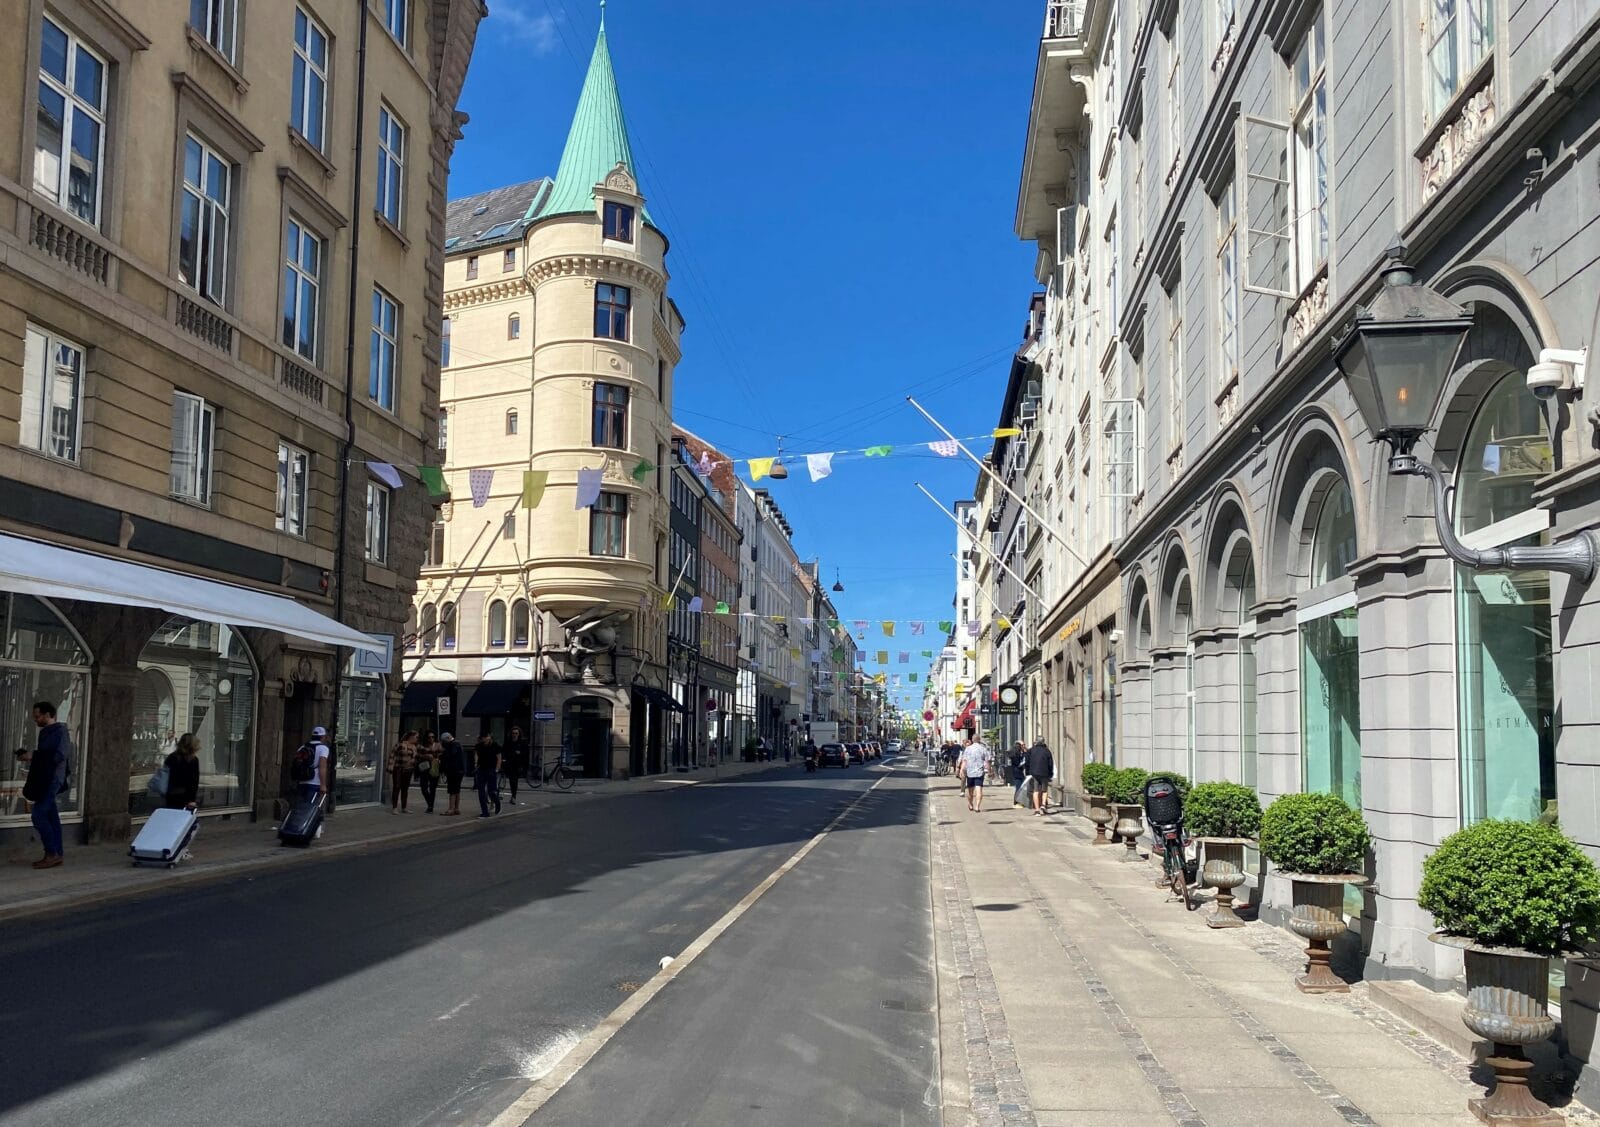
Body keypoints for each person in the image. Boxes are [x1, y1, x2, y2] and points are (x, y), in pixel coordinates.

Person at [18, 701, 71, 869]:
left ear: (48, 715)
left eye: (37, 716)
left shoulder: (61, 731)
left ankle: (51, 853)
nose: (35, 719)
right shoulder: (45, 732)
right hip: (45, 778)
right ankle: (57, 853)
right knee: (51, 816)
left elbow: (59, 756)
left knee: (38, 815)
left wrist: (34, 756)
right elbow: (44, 755)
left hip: (53, 779)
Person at [163, 732, 202, 811]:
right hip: (185, 796)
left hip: (171, 793)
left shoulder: (172, 757)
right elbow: (193, 782)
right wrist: (192, 799)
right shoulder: (193, 760)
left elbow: (165, 773)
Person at [957, 734, 991, 813]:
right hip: (979, 772)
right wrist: (989, 771)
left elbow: (964, 760)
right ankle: (977, 806)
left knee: (970, 791)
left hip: (970, 772)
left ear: (972, 740)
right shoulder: (983, 749)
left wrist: (961, 769)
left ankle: (970, 804)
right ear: (979, 740)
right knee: (979, 790)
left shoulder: (968, 749)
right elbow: (987, 761)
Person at [389, 730, 417, 813]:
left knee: (405, 788)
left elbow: (416, 757)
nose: (417, 739)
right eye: (416, 737)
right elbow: (392, 755)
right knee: (397, 787)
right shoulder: (400, 744)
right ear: (411, 737)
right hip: (398, 768)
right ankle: (394, 807)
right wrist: (390, 768)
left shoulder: (414, 746)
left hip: (408, 769)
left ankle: (404, 807)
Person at [1026, 739, 1056, 816]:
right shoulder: (1047, 751)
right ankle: (1043, 805)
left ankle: (1037, 810)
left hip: (1034, 773)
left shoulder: (1031, 750)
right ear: (1043, 742)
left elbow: (1027, 761)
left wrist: (1028, 772)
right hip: (1044, 773)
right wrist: (1050, 773)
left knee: (1035, 791)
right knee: (1044, 790)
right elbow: (1050, 763)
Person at [474, 733, 501, 818]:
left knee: (491, 791)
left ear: (489, 737)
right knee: (481, 791)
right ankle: (485, 812)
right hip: (481, 769)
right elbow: (476, 754)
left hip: (491, 769)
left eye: (486, 737)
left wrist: (497, 769)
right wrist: (476, 764)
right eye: (483, 737)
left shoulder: (495, 745)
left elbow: (499, 757)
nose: (485, 739)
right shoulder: (479, 746)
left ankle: (497, 802)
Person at [440, 732, 466, 816]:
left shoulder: (453, 745)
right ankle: (456, 808)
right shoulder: (458, 744)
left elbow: (451, 755)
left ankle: (451, 809)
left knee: (452, 790)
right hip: (460, 770)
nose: (443, 743)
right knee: (457, 790)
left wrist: (444, 752)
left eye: (444, 741)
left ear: (447, 738)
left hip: (454, 771)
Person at [415, 731, 440, 813]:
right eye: (429, 737)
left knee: (433, 788)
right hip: (425, 767)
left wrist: (439, 759)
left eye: (432, 737)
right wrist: (425, 756)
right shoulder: (422, 746)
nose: (431, 739)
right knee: (423, 788)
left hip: (434, 766)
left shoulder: (437, 745)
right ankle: (430, 803)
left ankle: (430, 807)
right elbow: (416, 755)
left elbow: (442, 754)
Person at [504, 726, 529, 805]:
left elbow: (526, 754)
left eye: (516, 733)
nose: (514, 735)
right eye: (513, 733)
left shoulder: (522, 743)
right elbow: (504, 751)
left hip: (517, 764)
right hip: (509, 764)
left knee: (514, 780)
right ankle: (513, 795)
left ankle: (514, 796)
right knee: (512, 780)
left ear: (519, 734)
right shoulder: (508, 742)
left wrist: (520, 754)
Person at [1009, 741, 1028, 808]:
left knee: (1019, 787)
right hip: (1018, 773)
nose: (1023, 746)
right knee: (1019, 787)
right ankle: (1016, 802)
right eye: (1022, 745)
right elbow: (1019, 763)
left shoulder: (1016, 753)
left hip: (1017, 772)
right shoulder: (1016, 754)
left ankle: (1018, 801)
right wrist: (1025, 754)